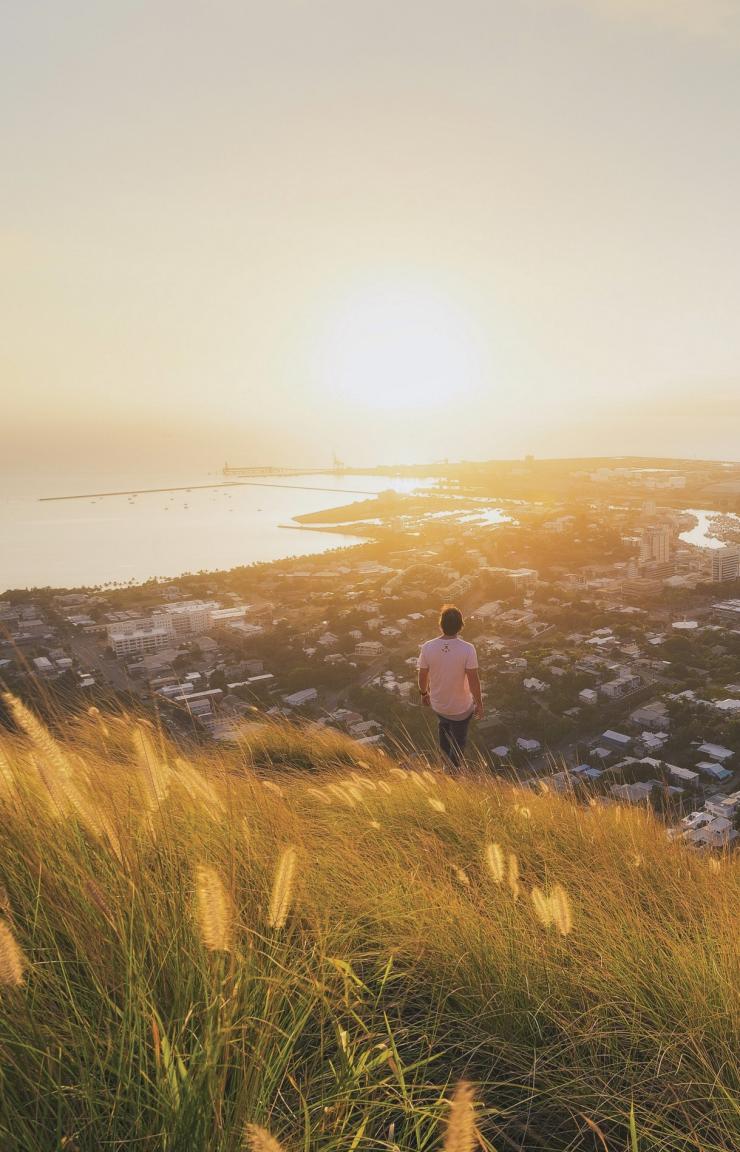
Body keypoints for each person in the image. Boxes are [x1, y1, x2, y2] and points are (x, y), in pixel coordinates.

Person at [416, 605, 483, 769]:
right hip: (461, 707)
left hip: (438, 703)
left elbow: (422, 674)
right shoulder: (467, 648)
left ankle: (445, 763)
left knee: (444, 728)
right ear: (461, 625)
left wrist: (424, 693)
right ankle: (452, 772)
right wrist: (479, 703)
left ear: (441, 624)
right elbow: (473, 679)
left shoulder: (428, 646)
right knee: (459, 742)